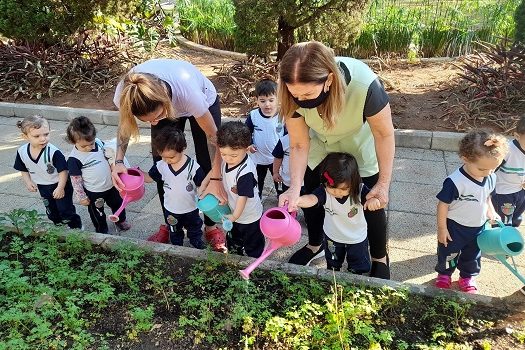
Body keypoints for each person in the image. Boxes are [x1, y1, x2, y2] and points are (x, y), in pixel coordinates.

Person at [277, 41, 394, 279]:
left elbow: (383, 134)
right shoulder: (291, 93)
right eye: (294, 93)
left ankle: (379, 256)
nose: (300, 99)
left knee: (371, 199)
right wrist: (294, 187)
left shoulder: (365, 86)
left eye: (307, 94)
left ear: (329, 80)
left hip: (359, 143)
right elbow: (299, 143)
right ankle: (315, 244)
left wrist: (383, 183)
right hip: (319, 145)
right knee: (310, 190)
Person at [111, 58, 226, 248]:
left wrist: (216, 177)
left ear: (164, 99)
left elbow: (214, 138)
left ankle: (211, 226)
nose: (155, 123)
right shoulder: (126, 94)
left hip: (201, 98)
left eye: (157, 117)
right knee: (162, 166)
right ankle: (170, 222)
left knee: (207, 166)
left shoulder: (189, 94)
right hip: (167, 103)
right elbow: (124, 127)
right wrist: (119, 161)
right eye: (148, 122)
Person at [435, 130, 507, 294]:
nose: (488, 173)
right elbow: (443, 205)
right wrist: (442, 228)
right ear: (465, 159)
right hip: (455, 227)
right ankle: (444, 275)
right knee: (449, 253)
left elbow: (487, 196)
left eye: (493, 169)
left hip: (479, 226)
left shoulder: (490, 177)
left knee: (473, 255)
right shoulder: (455, 182)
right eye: (483, 169)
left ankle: (467, 277)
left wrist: (492, 212)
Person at [296, 152, 381, 274]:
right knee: (333, 263)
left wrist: (374, 201)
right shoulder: (324, 191)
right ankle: (333, 275)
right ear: (325, 183)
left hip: (356, 238)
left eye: (343, 189)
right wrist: (298, 200)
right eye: (332, 188)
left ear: (354, 182)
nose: (337, 192)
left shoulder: (360, 190)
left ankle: (356, 278)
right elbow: (312, 198)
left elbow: (372, 198)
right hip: (333, 237)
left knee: (358, 265)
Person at [142, 126, 213, 250]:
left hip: (191, 208)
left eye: (171, 157)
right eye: (164, 157)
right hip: (171, 209)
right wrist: (136, 174)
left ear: (183, 149)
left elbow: (202, 184)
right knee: (174, 230)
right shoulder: (161, 166)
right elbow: (149, 178)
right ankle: (176, 246)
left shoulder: (192, 167)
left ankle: (196, 241)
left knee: (194, 227)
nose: (167, 160)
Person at [13, 115, 82, 229]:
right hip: (43, 186)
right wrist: (28, 181)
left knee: (65, 210)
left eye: (46, 134)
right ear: (25, 136)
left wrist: (60, 188)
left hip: (60, 184)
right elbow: (23, 168)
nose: (43, 138)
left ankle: (76, 228)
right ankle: (59, 227)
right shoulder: (22, 151)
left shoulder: (53, 152)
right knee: (51, 211)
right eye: (37, 136)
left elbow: (63, 171)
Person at [66, 116, 131, 234]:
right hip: (94, 191)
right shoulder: (74, 159)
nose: (89, 147)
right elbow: (75, 180)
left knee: (118, 203)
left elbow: (110, 154)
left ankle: (121, 220)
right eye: (84, 146)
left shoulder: (99, 143)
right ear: (73, 142)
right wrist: (81, 197)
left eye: (91, 143)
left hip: (111, 185)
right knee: (97, 211)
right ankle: (102, 229)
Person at [217, 121, 265, 258]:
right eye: (223, 154)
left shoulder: (245, 173)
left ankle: (255, 263)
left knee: (253, 243)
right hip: (235, 211)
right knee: (233, 240)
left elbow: (243, 198)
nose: (228, 159)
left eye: (233, 155)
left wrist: (234, 217)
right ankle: (234, 257)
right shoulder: (228, 161)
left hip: (249, 216)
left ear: (246, 148)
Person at [245, 79, 284, 197]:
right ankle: (258, 197)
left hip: (277, 159)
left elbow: (288, 134)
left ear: (278, 99)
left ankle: (281, 196)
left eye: (271, 100)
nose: (267, 104)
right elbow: (246, 131)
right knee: (258, 180)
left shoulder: (283, 115)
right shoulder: (254, 116)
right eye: (262, 101)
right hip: (259, 157)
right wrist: (249, 144)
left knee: (279, 179)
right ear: (256, 100)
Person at [492, 116, 525, 227]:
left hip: (520, 190)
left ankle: (512, 230)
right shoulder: (508, 150)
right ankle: (499, 235)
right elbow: (492, 169)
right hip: (504, 192)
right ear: (517, 136)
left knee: (517, 214)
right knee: (504, 218)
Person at [272, 130, 291, 197]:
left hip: (306, 180)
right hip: (287, 180)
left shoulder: (311, 139)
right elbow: (278, 157)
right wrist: (275, 172)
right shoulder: (284, 140)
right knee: (287, 200)